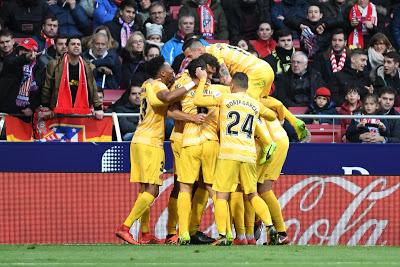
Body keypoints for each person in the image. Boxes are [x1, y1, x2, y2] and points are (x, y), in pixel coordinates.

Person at [115, 56, 195, 245]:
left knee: (144, 190)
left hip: (139, 139)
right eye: (170, 70)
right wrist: (194, 83)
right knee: (153, 190)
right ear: (162, 73)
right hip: (151, 143)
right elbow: (167, 98)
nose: (173, 72)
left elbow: (163, 102)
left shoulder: (146, 84)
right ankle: (125, 227)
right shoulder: (158, 85)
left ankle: (145, 232)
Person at [193, 72, 277, 245]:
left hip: (228, 153)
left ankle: (223, 236)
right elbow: (272, 116)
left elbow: (198, 100)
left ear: (232, 85)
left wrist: (202, 80)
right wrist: (259, 110)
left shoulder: (225, 98)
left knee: (221, 195)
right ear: (246, 87)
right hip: (248, 154)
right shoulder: (255, 103)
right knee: (252, 194)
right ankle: (270, 226)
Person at [41, 36, 104, 119]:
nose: (76, 46)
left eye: (78, 44)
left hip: (81, 111)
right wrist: (46, 106)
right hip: (58, 111)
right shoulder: (54, 64)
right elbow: (47, 87)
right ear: (67, 48)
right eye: (73, 44)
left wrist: (98, 108)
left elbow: (93, 88)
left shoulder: (89, 66)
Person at [0, 34, 40, 118]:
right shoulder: (11, 61)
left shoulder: (38, 67)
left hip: (24, 113)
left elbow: (38, 91)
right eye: (21, 49)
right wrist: (26, 57)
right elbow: (13, 61)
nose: (22, 52)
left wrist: (32, 108)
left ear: (34, 53)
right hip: (6, 110)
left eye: (26, 50)